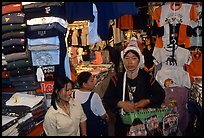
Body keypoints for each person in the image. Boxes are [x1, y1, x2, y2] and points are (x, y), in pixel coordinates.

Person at [103, 38, 165, 136]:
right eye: (127, 58)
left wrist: (147, 101)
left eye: (134, 58)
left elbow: (160, 94)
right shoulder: (117, 79)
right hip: (123, 125)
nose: (130, 62)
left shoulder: (147, 77)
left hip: (144, 123)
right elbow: (107, 98)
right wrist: (121, 104)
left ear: (139, 60)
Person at [74, 71, 109, 136]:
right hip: (93, 130)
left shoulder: (74, 94)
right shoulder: (94, 96)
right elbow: (103, 115)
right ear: (84, 84)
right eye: (91, 81)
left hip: (79, 130)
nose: (94, 83)